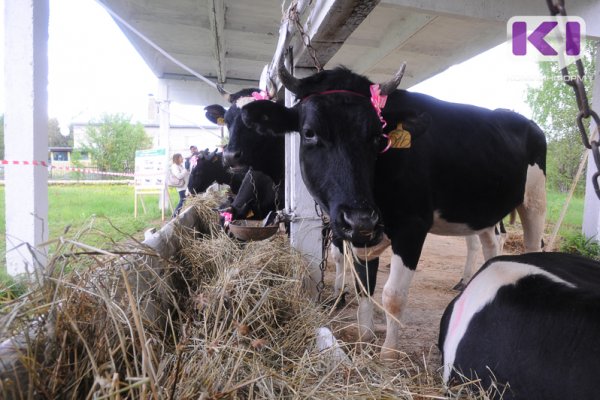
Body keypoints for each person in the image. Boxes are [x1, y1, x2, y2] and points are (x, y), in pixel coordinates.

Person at [170, 153, 189, 218]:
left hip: (185, 186)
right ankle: (174, 215)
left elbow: (185, 174)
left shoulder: (180, 165)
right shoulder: (174, 166)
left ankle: (177, 215)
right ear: (177, 158)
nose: (182, 158)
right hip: (181, 187)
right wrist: (186, 169)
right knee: (182, 200)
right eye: (181, 157)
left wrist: (187, 169)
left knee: (184, 200)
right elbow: (179, 176)